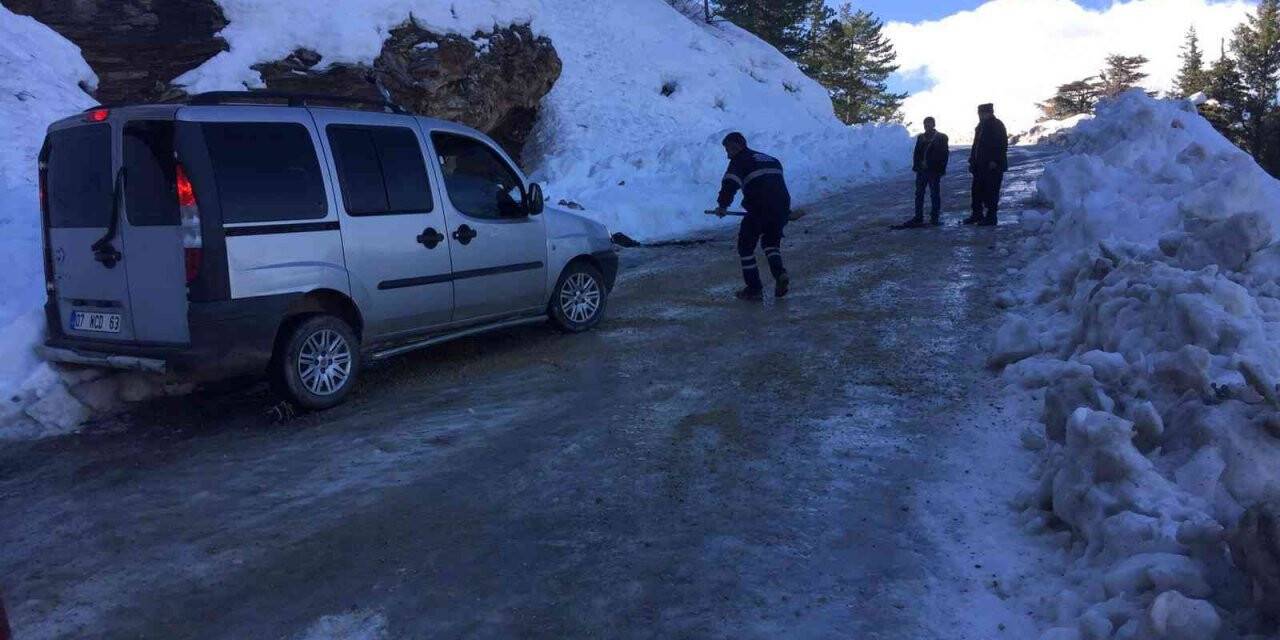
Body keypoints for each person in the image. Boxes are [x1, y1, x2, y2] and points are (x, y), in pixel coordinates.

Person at [715, 132, 792, 300]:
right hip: (781, 208)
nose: (727, 153)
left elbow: (730, 184)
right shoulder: (770, 159)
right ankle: (780, 274)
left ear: (737, 146)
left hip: (759, 209)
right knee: (771, 243)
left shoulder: (739, 161)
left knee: (746, 247)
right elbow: (777, 187)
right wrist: (784, 211)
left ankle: (754, 289)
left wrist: (722, 206)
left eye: (728, 148)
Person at [899, 116, 950, 228]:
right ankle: (918, 216)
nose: (927, 126)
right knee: (919, 194)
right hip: (922, 171)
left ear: (933, 124)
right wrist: (916, 166)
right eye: (925, 124)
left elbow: (944, 154)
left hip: (934, 171)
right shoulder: (921, 137)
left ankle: (934, 217)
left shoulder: (941, 137)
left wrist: (942, 169)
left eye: (929, 124)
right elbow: (916, 153)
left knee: (934, 194)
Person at [965, 103, 1008, 227]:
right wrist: (972, 160)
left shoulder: (997, 125)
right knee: (977, 191)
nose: (981, 115)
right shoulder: (981, 126)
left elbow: (1002, 145)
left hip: (992, 166)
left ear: (990, 113)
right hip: (980, 166)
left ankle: (991, 217)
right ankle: (977, 214)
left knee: (991, 191)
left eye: (983, 113)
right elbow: (976, 146)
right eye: (980, 113)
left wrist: (995, 160)